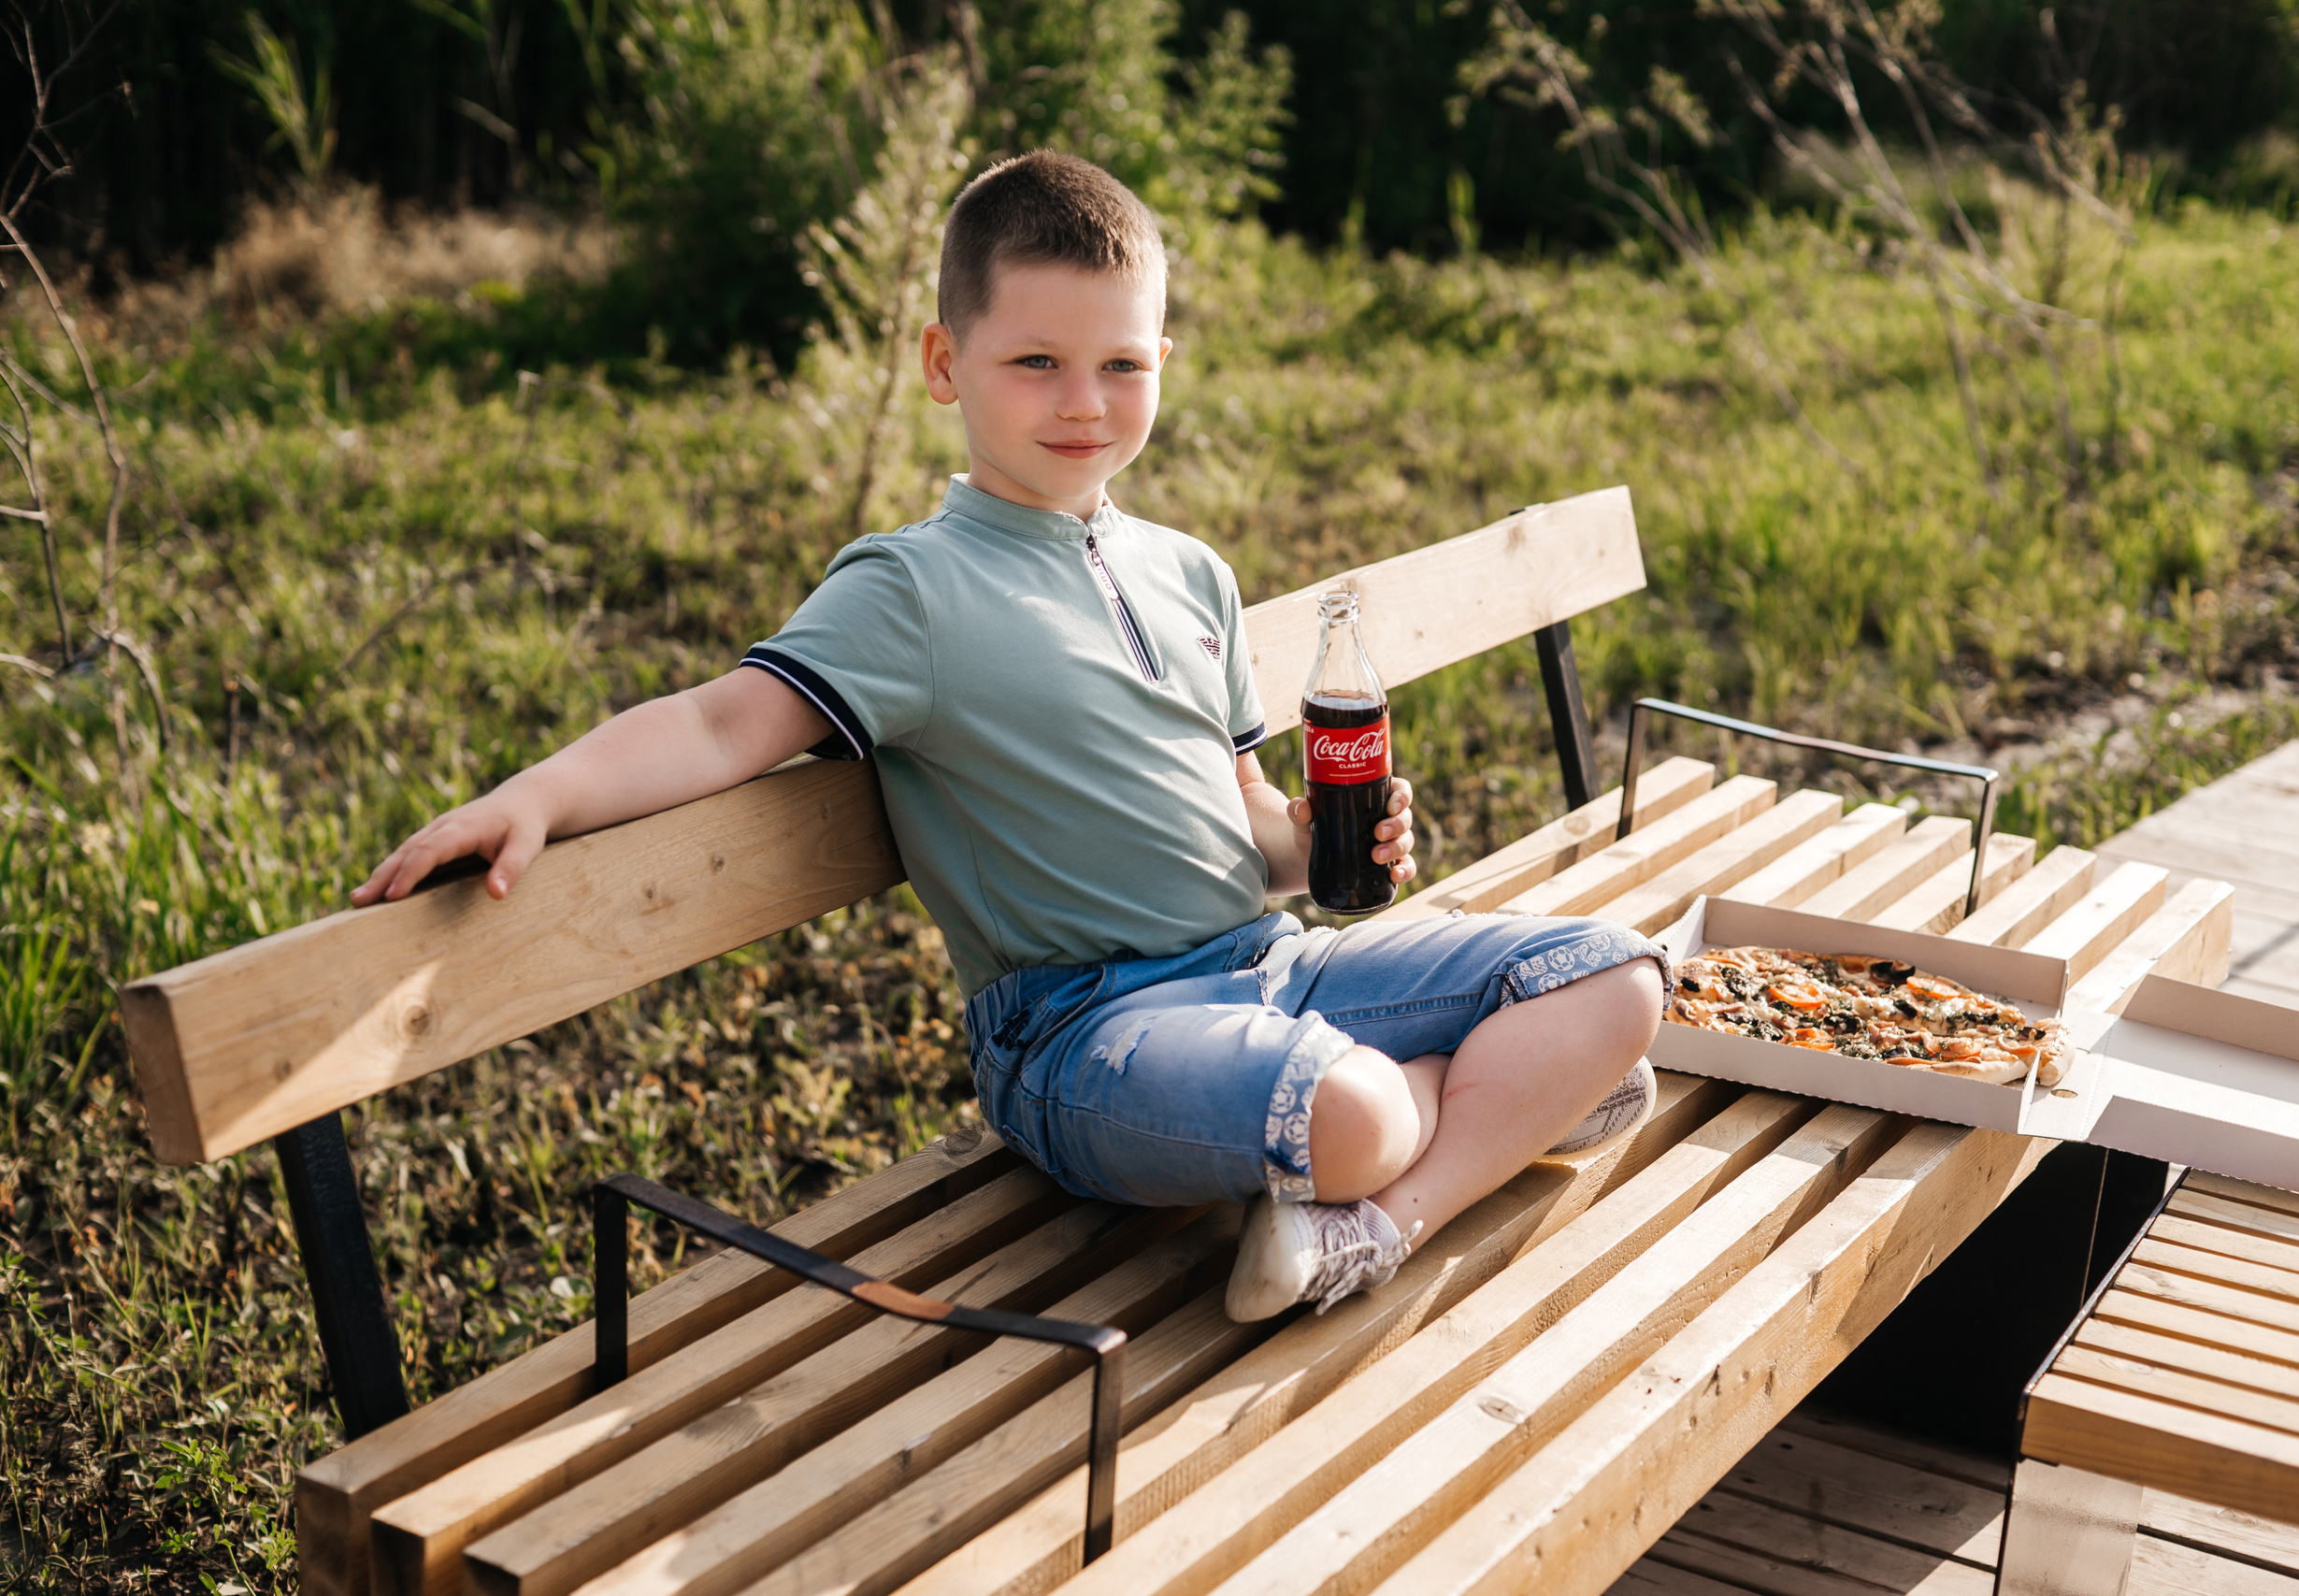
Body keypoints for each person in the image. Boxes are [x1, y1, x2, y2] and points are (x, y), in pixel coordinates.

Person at [352, 151, 1666, 1321]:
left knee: (1614, 978)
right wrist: (540, 794)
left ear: (1163, 365)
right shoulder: (909, 591)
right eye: (1034, 361)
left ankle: (1374, 1227)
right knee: (1365, 1107)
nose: (1082, 402)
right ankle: (1477, 1113)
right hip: (1086, 1034)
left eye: (1121, 364)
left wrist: (1325, 846)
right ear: (943, 365)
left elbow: (1250, 820)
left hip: (1274, 964)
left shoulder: (1189, 572)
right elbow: (715, 721)